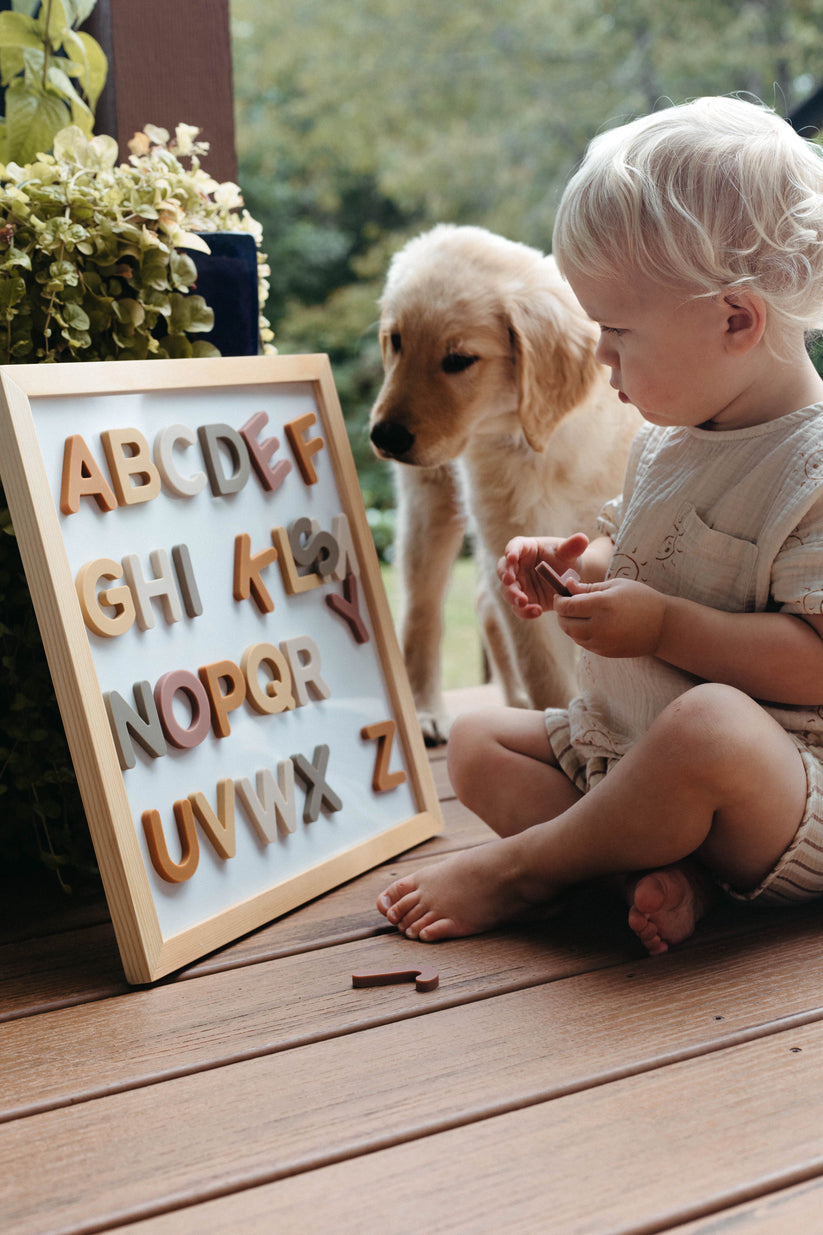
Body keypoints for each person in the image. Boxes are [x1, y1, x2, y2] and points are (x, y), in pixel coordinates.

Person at [377, 94, 823, 955]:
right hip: (624, 747)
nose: (600, 361)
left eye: (616, 334)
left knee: (712, 725)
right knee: (476, 743)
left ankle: (527, 869)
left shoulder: (810, 467)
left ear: (735, 319)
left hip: (776, 788)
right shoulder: (667, 438)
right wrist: (580, 564)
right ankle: (650, 877)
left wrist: (663, 626)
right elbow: (645, 554)